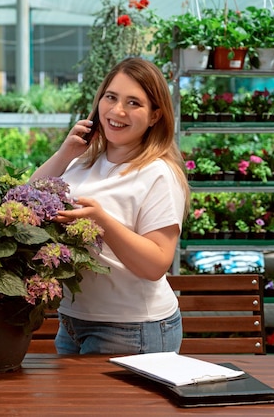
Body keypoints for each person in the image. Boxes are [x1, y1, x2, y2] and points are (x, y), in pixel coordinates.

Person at [30, 57, 190, 355]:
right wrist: (65, 153)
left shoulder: (159, 173)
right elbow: (24, 203)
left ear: (155, 116)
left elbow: (156, 264)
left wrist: (102, 221)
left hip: (133, 327)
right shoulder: (82, 161)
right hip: (73, 321)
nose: (117, 111)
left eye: (134, 103)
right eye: (111, 97)